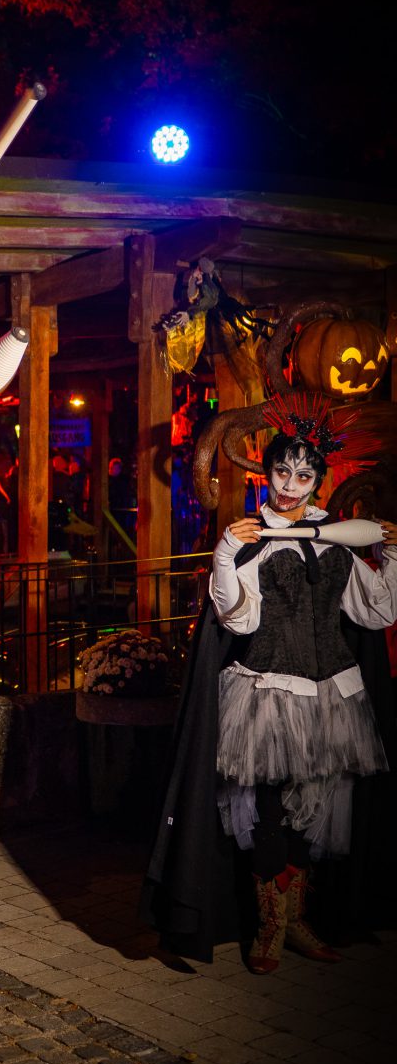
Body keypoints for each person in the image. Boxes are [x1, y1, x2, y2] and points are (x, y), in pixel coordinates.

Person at [142, 394, 397, 972]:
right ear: (268, 471)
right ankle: (270, 927)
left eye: (303, 476)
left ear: (318, 481)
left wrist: (393, 554)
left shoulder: (335, 536)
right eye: (282, 471)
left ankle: (297, 920)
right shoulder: (251, 534)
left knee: (316, 809)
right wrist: (226, 554)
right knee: (269, 814)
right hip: (267, 694)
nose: (290, 485)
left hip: (333, 696)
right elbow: (238, 620)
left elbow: (377, 611)